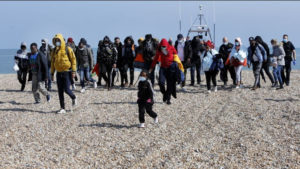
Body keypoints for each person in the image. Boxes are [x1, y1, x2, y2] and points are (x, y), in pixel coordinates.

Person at [51, 33, 77, 114]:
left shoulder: (68, 49)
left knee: (67, 89)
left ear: (61, 40)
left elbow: (73, 60)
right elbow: (52, 62)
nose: (57, 42)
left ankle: (74, 97)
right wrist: (52, 73)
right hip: (58, 73)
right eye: (55, 41)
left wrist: (73, 71)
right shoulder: (54, 51)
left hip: (67, 72)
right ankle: (62, 108)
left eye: (58, 40)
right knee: (60, 91)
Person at [149, 38, 179, 105]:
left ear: (167, 45)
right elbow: (155, 59)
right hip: (162, 68)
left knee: (169, 85)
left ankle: (168, 99)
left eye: (164, 46)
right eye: (162, 46)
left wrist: (178, 65)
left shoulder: (171, 48)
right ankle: (165, 94)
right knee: (161, 83)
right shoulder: (159, 50)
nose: (163, 48)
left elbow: (176, 56)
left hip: (171, 68)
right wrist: (151, 67)